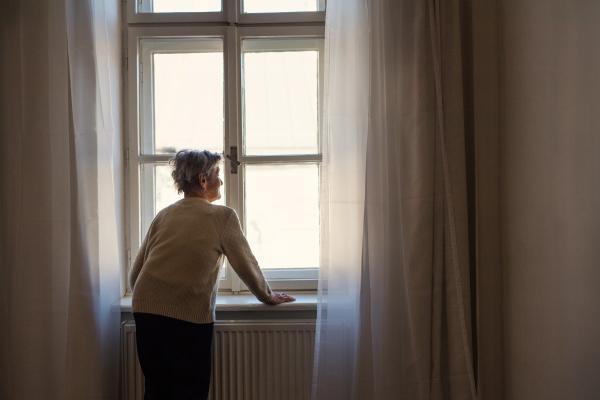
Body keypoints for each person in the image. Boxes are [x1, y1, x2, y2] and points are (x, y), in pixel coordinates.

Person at [128, 149, 295, 400]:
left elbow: (136, 274)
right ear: (203, 180)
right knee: (190, 391)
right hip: (186, 316)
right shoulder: (222, 217)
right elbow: (245, 263)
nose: (223, 181)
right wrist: (267, 296)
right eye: (219, 175)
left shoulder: (164, 215)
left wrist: (151, 298)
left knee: (157, 390)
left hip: (145, 309)